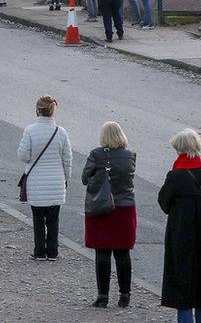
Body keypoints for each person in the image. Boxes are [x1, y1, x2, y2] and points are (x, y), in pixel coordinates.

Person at [158, 129, 201, 323]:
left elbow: (164, 204)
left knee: (183, 296)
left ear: (179, 150)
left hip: (180, 239)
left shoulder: (175, 176)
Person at [82, 122, 137, 308]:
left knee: (102, 252)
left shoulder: (97, 154)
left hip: (101, 207)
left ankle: (103, 296)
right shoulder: (130, 155)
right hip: (125, 207)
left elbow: (84, 178)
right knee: (123, 253)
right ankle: (125, 296)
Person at [17, 95, 72, 259]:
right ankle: (53, 250)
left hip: (36, 181)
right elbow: (67, 158)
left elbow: (24, 155)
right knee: (54, 219)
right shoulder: (61, 132)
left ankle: (39, 251)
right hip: (56, 181)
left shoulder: (30, 131)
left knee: (38, 218)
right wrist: (65, 178)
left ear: (37, 110)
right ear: (53, 110)